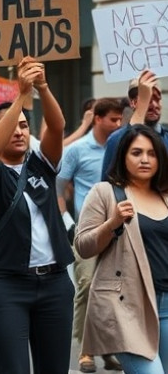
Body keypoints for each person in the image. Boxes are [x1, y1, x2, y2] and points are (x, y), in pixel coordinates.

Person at [0, 57, 74, 374]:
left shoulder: (42, 163)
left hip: (55, 283)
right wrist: (18, 98)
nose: (19, 131)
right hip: (6, 286)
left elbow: (57, 126)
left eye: (25, 126)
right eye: (10, 127)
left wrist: (41, 86)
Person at [76, 124, 168, 373]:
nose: (145, 159)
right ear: (123, 156)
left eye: (152, 153)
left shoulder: (165, 195)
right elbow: (83, 246)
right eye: (136, 153)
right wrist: (112, 223)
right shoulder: (105, 192)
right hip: (124, 305)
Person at [56, 97, 124, 372]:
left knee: (113, 291)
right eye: (113, 119)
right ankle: (86, 351)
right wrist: (67, 221)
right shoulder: (77, 150)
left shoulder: (122, 147)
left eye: (121, 119)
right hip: (87, 229)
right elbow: (58, 186)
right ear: (97, 118)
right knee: (85, 286)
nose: (118, 124)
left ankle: (109, 349)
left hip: (119, 228)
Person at [102, 70, 168, 180]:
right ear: (133, 103)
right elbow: (108, 184)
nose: (154, 105)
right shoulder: (117, 140)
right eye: (149, 99)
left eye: (157, 99)